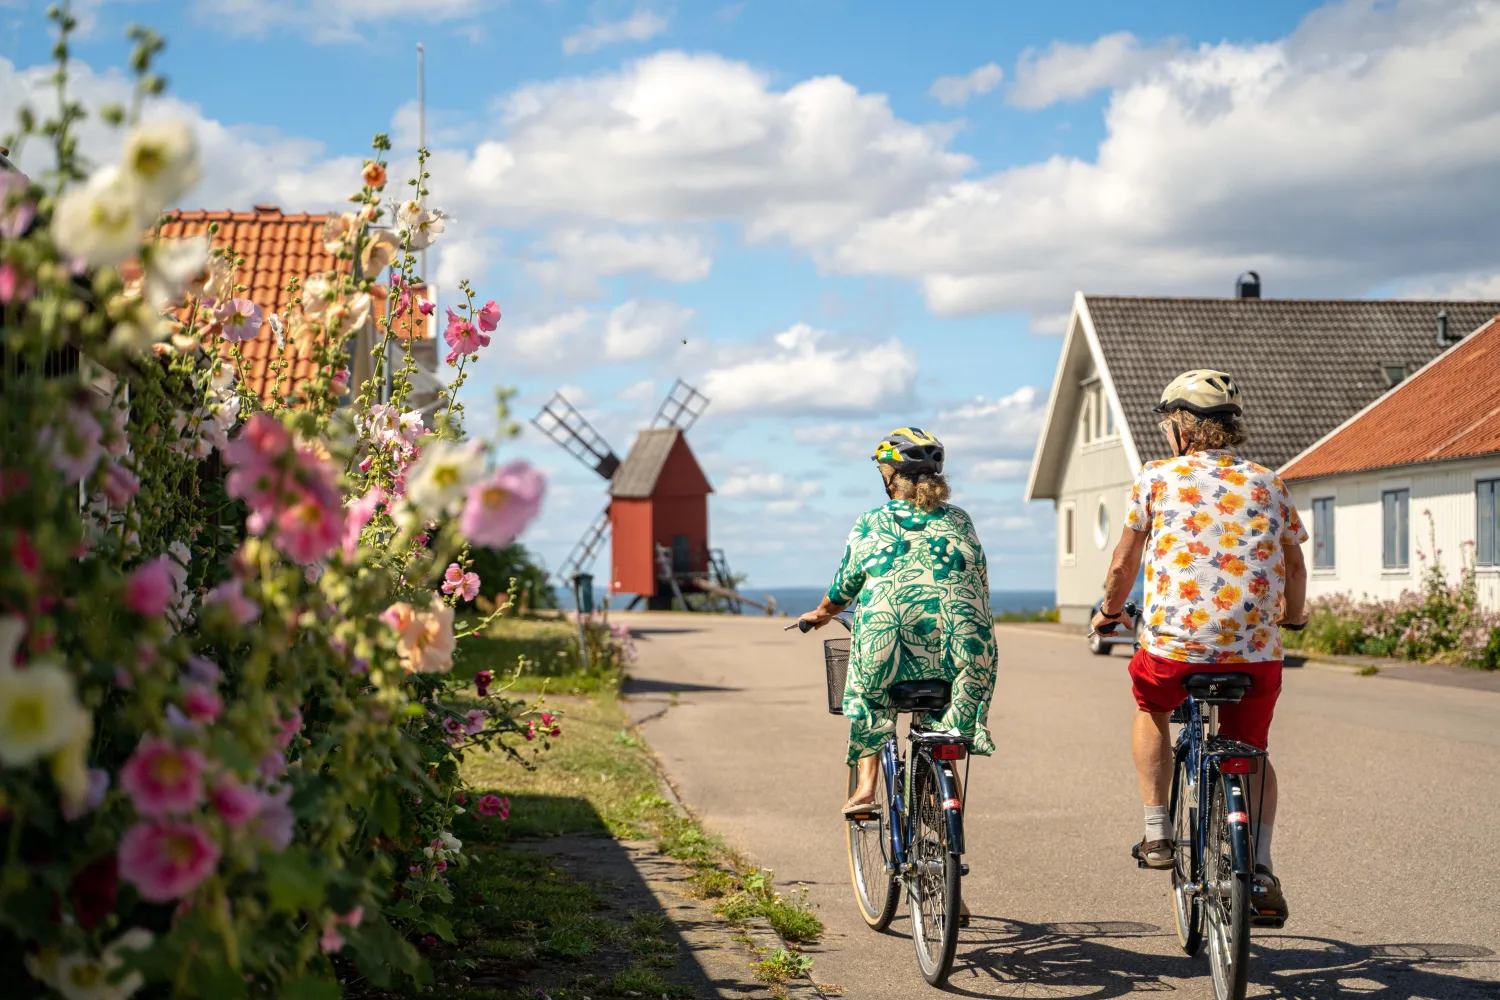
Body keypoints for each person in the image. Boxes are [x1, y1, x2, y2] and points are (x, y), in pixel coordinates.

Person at [1092, 369, 1307, 924]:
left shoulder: (1156, 478)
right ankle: (1259, 867)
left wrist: (1110, 613)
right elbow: (1295, 562)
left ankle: (1157, 833)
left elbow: (1123, 563)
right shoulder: (1269, 481)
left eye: (1169, 423)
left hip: (1174, 650)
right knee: (1252, 750)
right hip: (1255, 655)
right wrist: (1295, 616)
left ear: (1182, 428)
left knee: (1151, 706)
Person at [800, 428, 998, 814]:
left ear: (890, 478)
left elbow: (845, 585)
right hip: (966, 645)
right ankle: (945, 798)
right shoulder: (960, 520)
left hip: (890, 638)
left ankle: (866, 790)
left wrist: (822, 614)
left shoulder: (873, 521)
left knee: (869, 698)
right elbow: (981, 582)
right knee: (945, 721)